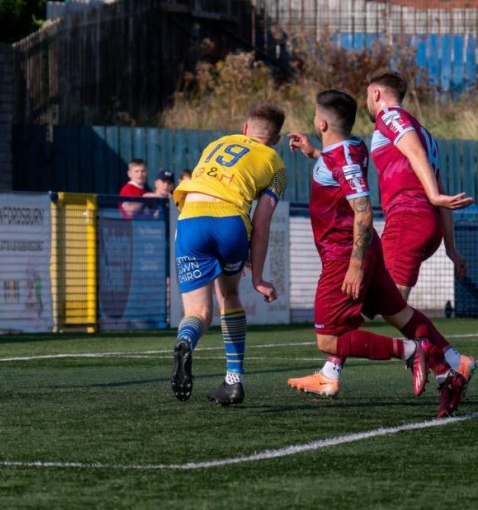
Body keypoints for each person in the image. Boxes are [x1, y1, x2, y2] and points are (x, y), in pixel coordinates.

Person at [285, 89, 470, 417]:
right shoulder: (354, 146)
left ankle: (411, 351)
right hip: (368, 249)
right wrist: (314, 152)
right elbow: (341, 167)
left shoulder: (358, 145)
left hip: (345, 255)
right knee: (401, 314)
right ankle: (449, 370)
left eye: (315, 115)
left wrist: (355, 266)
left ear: (322, 123)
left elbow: (363, 210)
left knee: (329, 339)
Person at [363, 70, 475, 389]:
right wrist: (451, 247)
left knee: (388, 304)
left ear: (376, 94)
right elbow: (436, 180)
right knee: (374, 300)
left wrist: (434, 196)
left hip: (408, 218)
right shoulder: (423, 131)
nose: (367, 101)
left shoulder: (390, 116)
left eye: (367, 94)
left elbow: (415, 153)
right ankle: (447, 362)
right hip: (426, 222)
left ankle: (449, 359)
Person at [170, 103, 286, 406]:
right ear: (276, 139)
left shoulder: (216, 143)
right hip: (230, 221)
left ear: (245, 129)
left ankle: (186, 341)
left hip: (191, 218)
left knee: (197, 312)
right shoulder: (277, 165)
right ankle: (233, 381)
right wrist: (258, 277)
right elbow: (262, 223)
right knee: (230, 296)